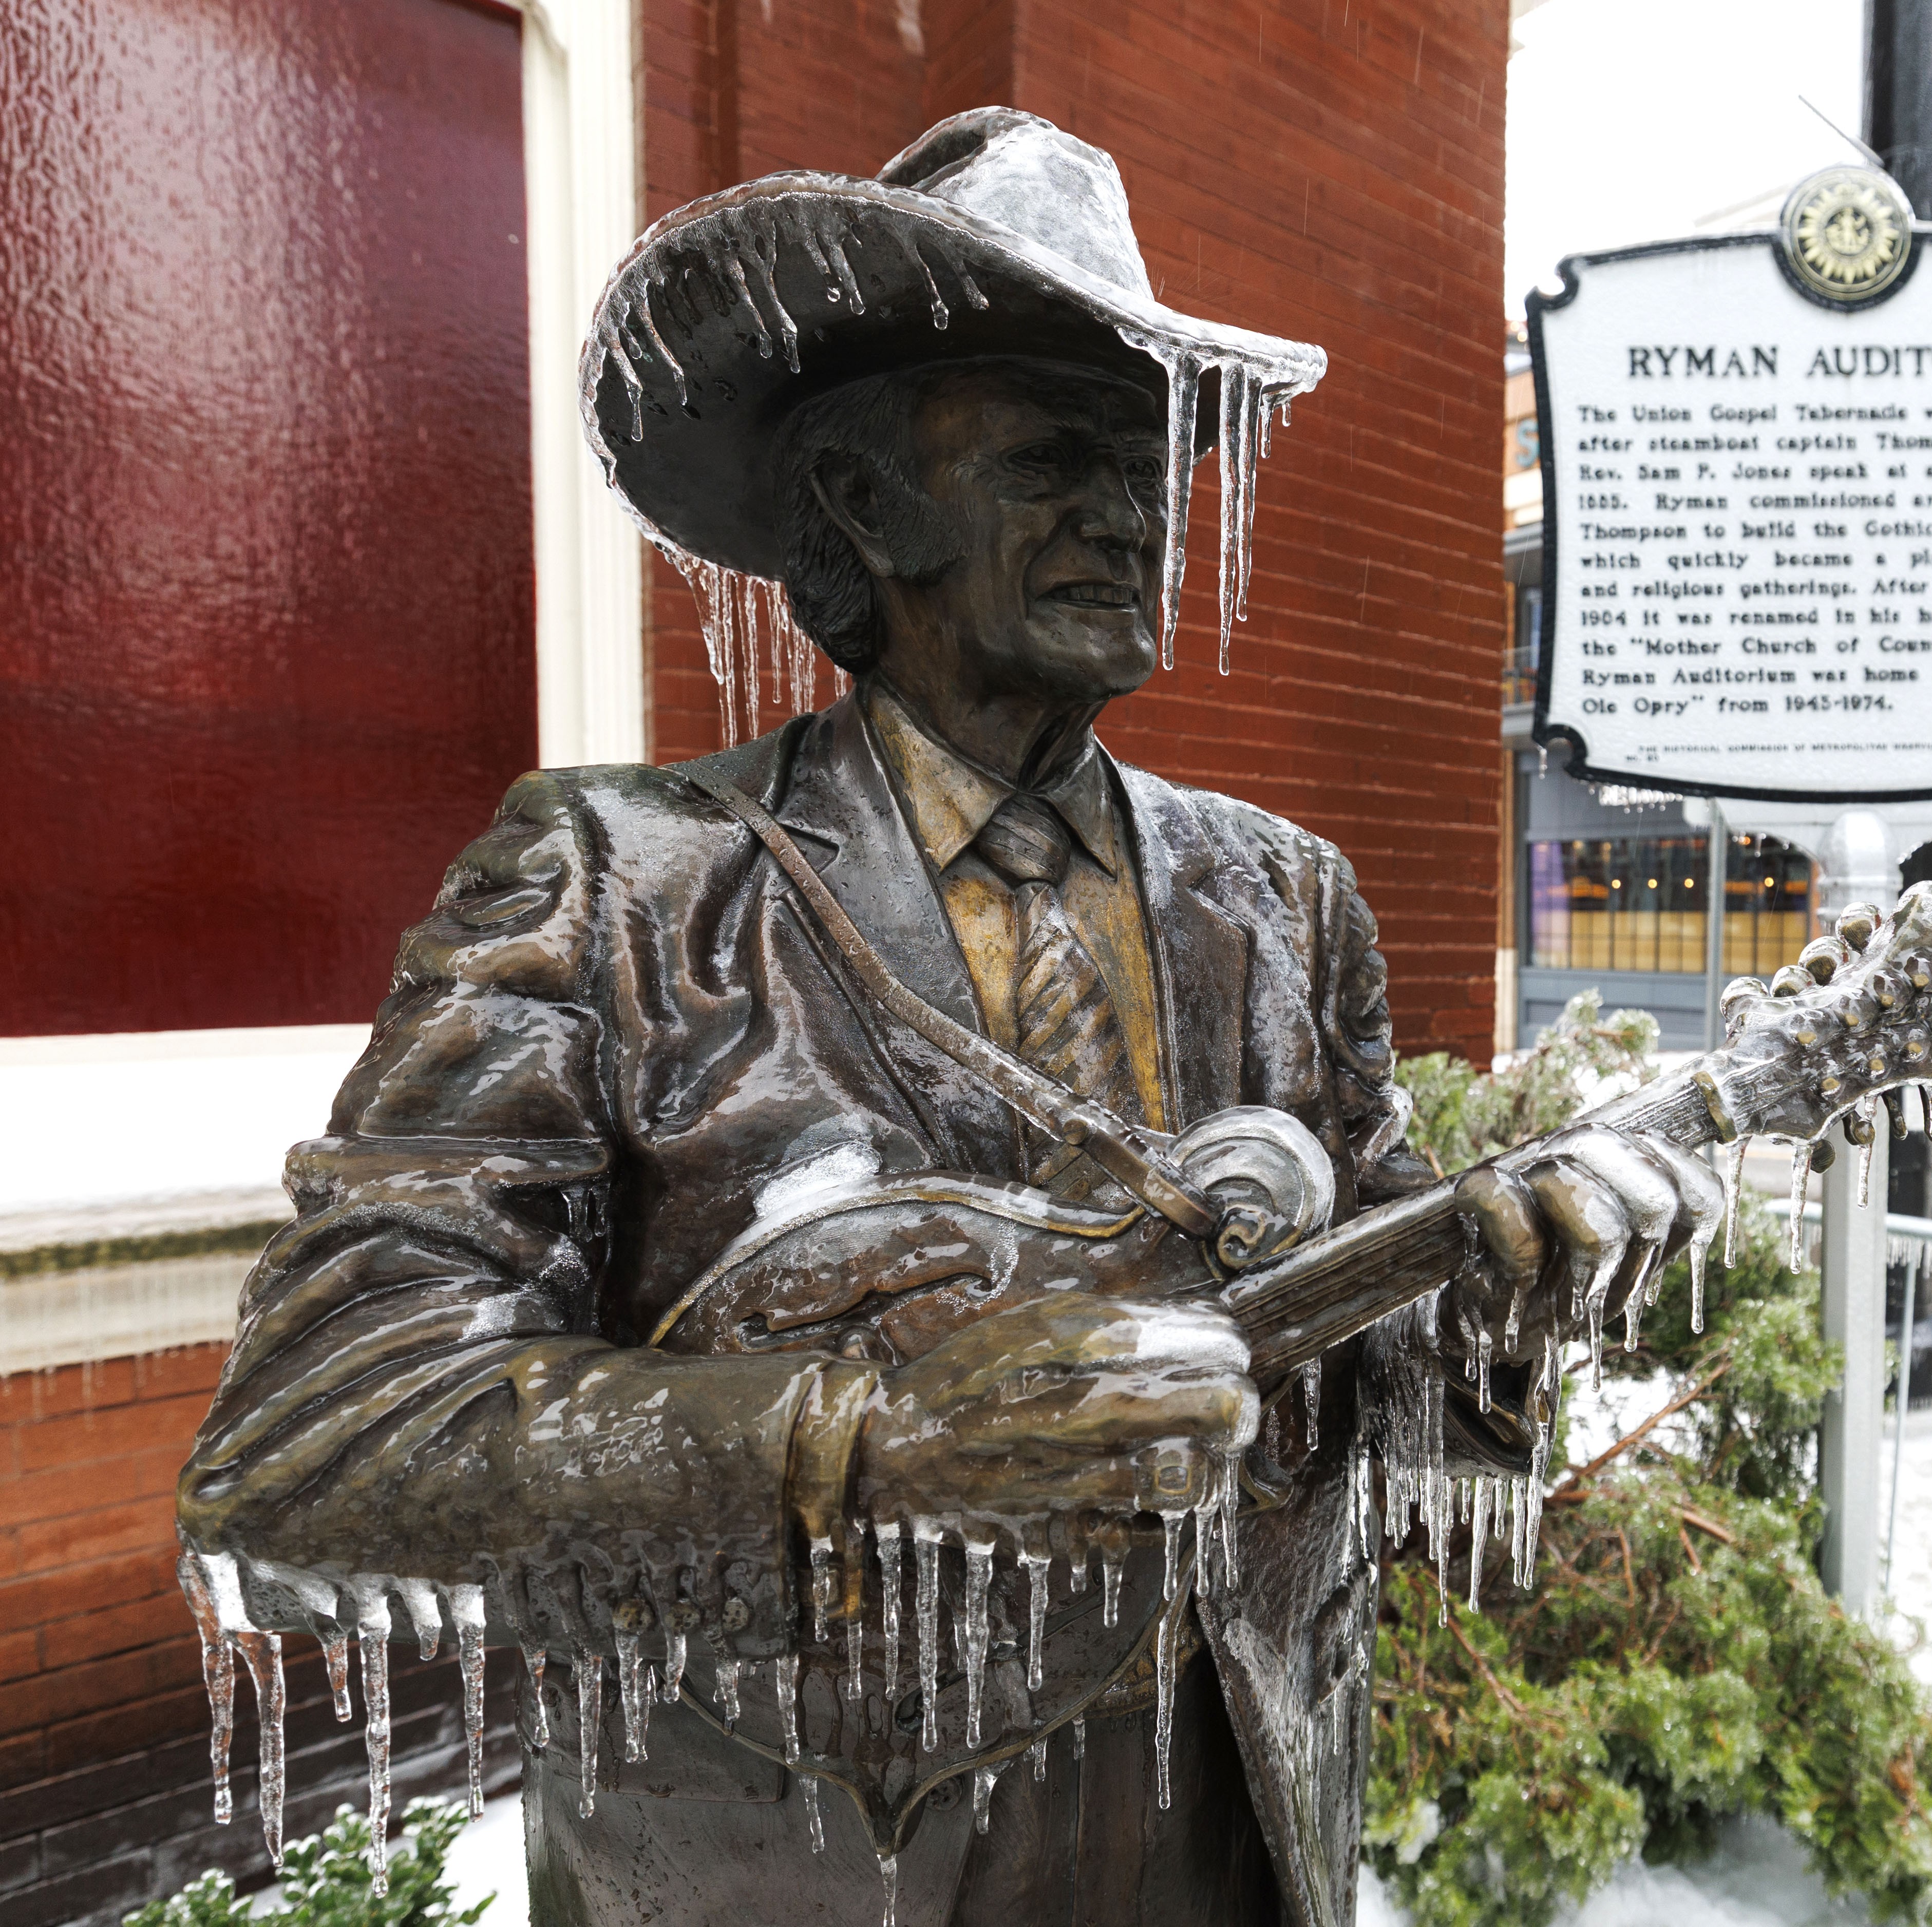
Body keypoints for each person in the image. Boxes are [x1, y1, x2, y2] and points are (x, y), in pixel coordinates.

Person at [177, 108, 1712, 1927]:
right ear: (859, 500)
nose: (1131, 508)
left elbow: (1374, 1407)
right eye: (1052, 454)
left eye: (1152, 460)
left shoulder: (1284, 901)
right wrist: (861, 1443)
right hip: (794, 1871)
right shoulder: (615, 886)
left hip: (1225, 1847)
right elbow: (306, 1445)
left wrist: (1498, 1319)